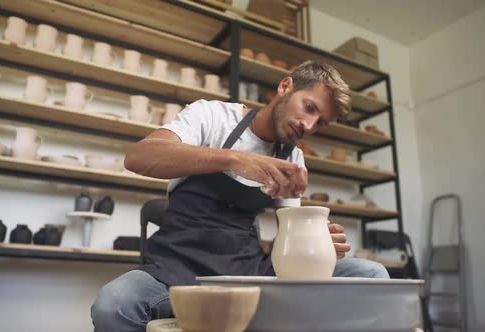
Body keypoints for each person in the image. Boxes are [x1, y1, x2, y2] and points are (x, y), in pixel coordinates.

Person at [91, 62, 389, 331]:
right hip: (176, 270)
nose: (309, 126)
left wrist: (312, 243)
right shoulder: (212, 116)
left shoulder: (293, 157)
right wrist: (235, 159)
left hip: (246, 274)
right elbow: (139, 156)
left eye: (321, 122)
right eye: (309, 107)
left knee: (372, 274)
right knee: (113, 305)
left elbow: (283, 242)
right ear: (285, 87)